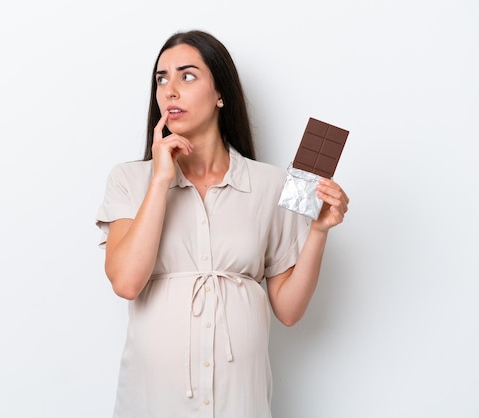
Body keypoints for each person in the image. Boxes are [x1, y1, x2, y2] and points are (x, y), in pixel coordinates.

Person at [96, 29, 349, 418]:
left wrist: (317, 232)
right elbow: (126, 282)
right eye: (161, 78)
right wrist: (161, 179)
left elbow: (289, 310)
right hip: (152, 403)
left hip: (240, 402)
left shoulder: (271, 184)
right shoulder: (130, 180)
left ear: (220, 94)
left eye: (187, 75)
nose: (170, 90)